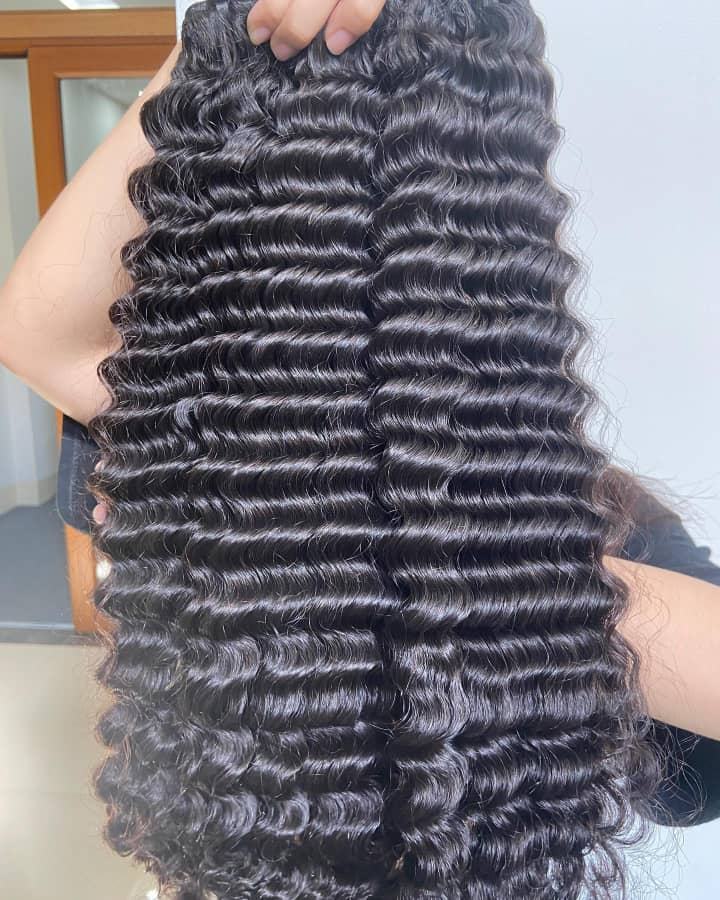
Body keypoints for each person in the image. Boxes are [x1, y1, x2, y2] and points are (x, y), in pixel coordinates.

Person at [1, 0, 718, 835]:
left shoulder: (217, 489)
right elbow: (40, 335)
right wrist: (229, 37)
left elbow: (44, 336)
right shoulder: (217, 465)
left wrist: (224, 51)